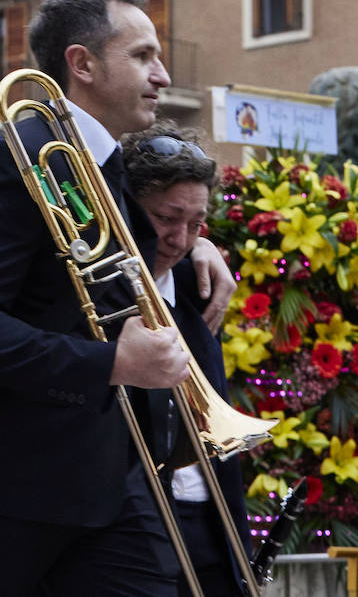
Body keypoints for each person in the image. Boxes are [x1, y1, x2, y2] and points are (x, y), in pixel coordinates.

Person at [0, 0, 237, 596]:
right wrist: (113, 361)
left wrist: (194, 242)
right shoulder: (15, 158)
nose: (162, 75)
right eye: (143, 56)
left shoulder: (111, 170)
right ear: (81, 64)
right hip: (6, 491)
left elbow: (111, 278)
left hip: (112, 486)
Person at [123, 123, 250, 596]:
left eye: (196, 223)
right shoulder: (101, 293)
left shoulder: (199, 285)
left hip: (208, 520)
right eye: (165, 218)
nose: (179, 237)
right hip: (135, 522)